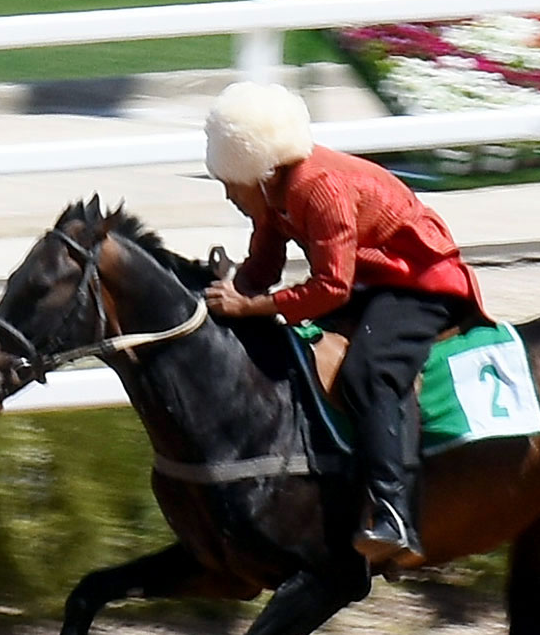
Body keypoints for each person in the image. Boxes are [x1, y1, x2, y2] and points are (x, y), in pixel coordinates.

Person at [202, 81, 486, 568]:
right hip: (369, 284)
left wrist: (250, 306)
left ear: (253, 167)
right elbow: (264, 266)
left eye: (230, 183)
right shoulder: (272, 186)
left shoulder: (319, 186)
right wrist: (228, 291)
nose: (228, 194)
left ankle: (393, 510)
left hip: (418, 283)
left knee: (368, 372)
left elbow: (331, 287)